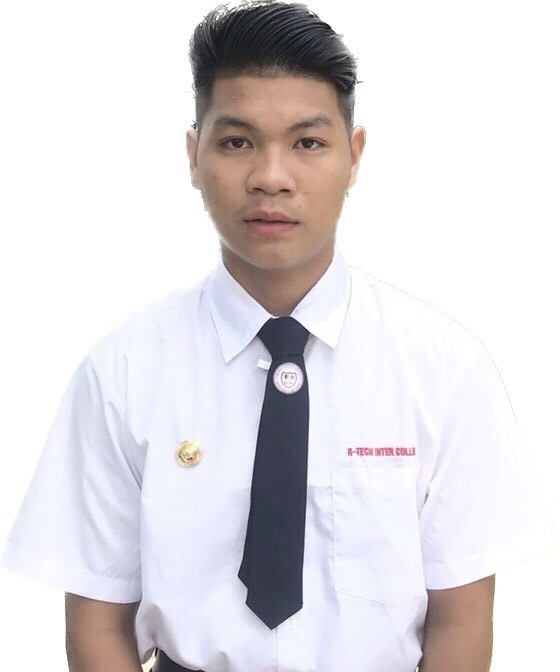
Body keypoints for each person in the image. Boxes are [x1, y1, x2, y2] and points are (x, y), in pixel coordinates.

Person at [0, 2, 556, 671]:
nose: (270, 176)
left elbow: (461, 619)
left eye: (307, 143)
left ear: (354, 155)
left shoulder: (442, 367)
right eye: (237, 142)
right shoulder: (123, 370)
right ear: (193, 155)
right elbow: (97, 620)